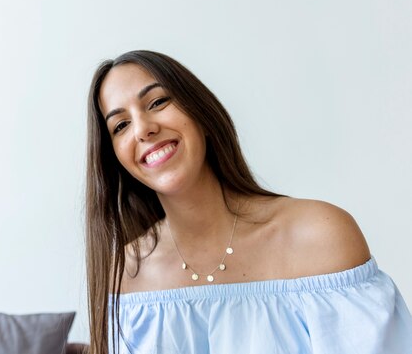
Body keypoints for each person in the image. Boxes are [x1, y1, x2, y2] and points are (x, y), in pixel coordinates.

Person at [84, 50, 412, 354]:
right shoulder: (125, 274)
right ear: (115, 158)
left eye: (157, 102)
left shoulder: (321, 235)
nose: (142, 129)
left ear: (201, 113)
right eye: (121, 125)